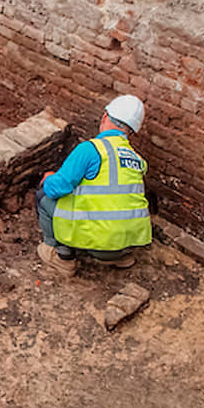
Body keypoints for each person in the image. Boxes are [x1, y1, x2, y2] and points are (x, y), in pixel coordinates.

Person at [36, 94, 152, 275]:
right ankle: (121, 257)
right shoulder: (138, 159)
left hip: (99, 245)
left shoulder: (90, 149)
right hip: (130, 243)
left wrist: (50, 177)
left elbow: (58, 188)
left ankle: (62, 257)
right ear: (132, 130)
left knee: (42, 196)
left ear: (105, 116)